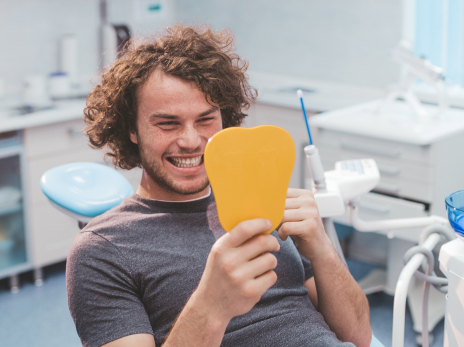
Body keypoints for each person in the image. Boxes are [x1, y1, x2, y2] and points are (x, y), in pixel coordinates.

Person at [66, 24, 372, 347]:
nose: (190, 141)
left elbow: (359, 336)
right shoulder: (101, 250)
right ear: (132, 129)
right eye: (168, 123)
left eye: (205, 120)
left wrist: (322, 249)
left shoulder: (264, 204)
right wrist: (211, 305)